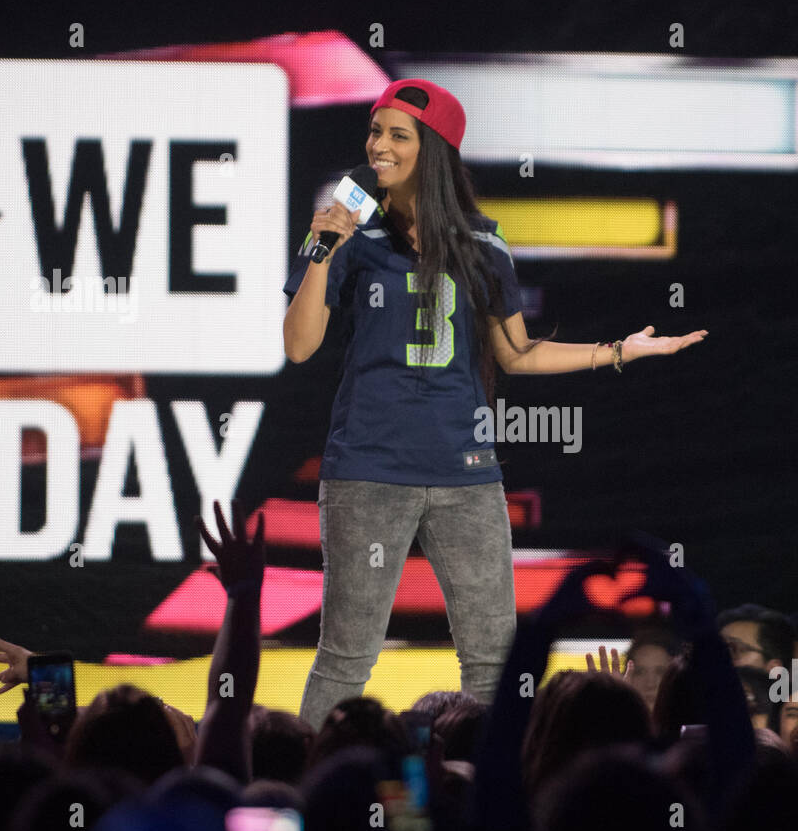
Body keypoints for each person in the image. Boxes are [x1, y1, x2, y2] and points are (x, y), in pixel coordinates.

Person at [283, 79, 708, 728]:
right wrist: (322, 248)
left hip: (467, 476)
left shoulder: (483, 243)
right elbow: (299, 344)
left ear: (436, 150)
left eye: (399, 135)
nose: (379, 146)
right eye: (375, 131)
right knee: (346, 656)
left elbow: (517, 352)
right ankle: (305, 790)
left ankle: (496, 794)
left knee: (492, 660)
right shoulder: (352, 237)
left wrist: (620, 350)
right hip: (368, 471)